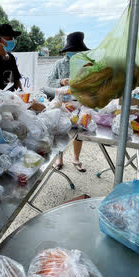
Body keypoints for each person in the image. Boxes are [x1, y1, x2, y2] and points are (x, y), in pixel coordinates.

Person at [46, 31, 90, 172]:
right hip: (62, 104)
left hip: (80, 102)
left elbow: (93, 82)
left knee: (79, 130)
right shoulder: (59, 64)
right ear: (68, 50)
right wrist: (61, 81)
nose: (75, 53)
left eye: (78, 51)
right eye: (73, 51)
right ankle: (59, 159)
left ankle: (76, 158)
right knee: (60, 130)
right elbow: (50, 81)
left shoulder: (86, 64)